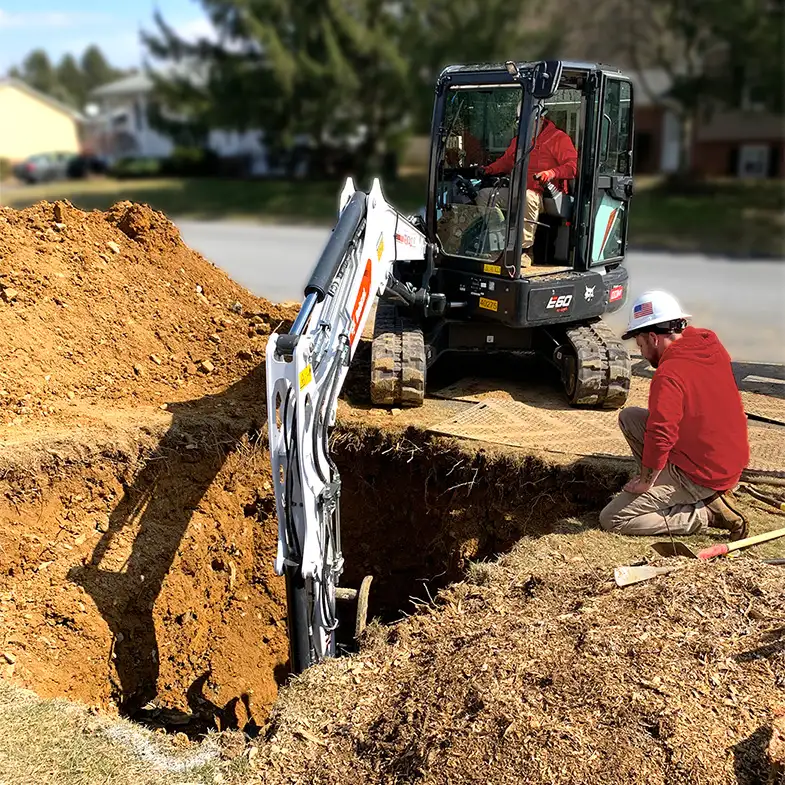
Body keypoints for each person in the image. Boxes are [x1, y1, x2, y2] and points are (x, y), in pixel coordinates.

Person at [599, 290, 750, 540]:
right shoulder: (707, 342)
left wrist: (646, 481)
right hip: (724, 457)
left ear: (652, 337)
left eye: (641, 345)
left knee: (613, 518)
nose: (642, 353)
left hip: (704, 473)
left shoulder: (669, 374)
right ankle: (688, 492)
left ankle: (705, 514)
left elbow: (661, 433)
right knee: (630, 418)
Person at [476, 104, 577, 269]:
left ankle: (524, 250)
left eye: (529, 123)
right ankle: (499, 243)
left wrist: (551, 173)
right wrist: (489, 170)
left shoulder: (558, 138)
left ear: (541, 119)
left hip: (545, 194)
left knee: (527, 197)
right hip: (518, 190)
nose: (525, 127)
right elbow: (506, 161)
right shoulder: (519, 140)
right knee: (485, 195)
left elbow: (572, 167)